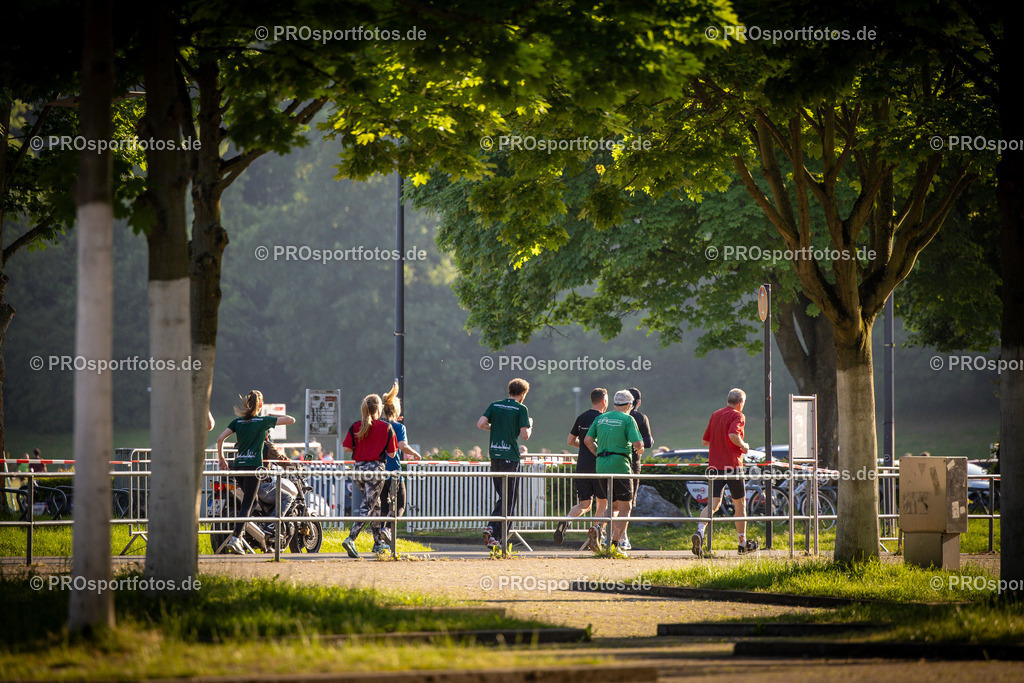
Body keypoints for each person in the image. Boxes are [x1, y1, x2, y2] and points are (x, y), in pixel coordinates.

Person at [216, 390, 296, 555]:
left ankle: (244, 535)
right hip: (254, 467)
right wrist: (266, 413)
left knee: (251, 503)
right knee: (248, 504)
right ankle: (236, 538)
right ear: (260, 404)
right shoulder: (262, 421)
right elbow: (291, 420)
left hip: (238, 467)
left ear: (247, 404)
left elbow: (219, 439)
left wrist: (221, 459)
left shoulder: (238, 421)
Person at [692, 387, 758, 556]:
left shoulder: (716, 414)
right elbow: (733, 435)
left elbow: (705, 441)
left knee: (713, 504)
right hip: (733, 466)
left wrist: (718, 441)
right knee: (740, 504)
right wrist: (744, 446)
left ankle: (700, 531)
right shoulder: (738, 415)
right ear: (741, 403)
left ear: (728, 400)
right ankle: (742, 543)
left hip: (714, 466)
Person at [583, 389, 644, 557]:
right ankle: (615, 544)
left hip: (601, 466)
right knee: (626, 507)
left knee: (613, 505)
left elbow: (587, 440)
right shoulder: (628, 419)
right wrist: (640, 448)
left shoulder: (600, 418)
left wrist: (599, 454)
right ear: (630, 405)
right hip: (620, 466)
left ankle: (598, 527)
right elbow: (638, 443)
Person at [477, 378, 532, 550]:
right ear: (523, 394)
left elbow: (480, 424)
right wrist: (530, 424)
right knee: (509, 499)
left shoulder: (495, 405)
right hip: (511, 457)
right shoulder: (521, 408)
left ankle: (492, 528)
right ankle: (495, 535)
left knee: (503, 496)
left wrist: (495, 427)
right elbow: (525, 436)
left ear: (509, 390)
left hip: (495, 456)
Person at [341, 394, 398, 558]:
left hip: (358, 470)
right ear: (379, 409)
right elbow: (392, 454)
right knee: (367, 506)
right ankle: (351, 538)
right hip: (375, 470)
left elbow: (346, 448)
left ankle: (378, 544)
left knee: (375, 505)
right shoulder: (386, 427)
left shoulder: (356, 426)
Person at [553, 388, 608, 545]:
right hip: (599, 466)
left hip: (582, 465)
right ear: (604, 400)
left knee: (585, 504)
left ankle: (567, 520)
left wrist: (584, 448)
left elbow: (570, 441)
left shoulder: (582, 417)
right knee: (603, 502)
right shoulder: (604, 419)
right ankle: (597, 531)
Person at [379, 382, 422, 551]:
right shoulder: (398, 426)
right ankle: (387, 529)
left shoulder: (378, 425)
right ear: (396, 411)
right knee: (401, 503)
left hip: (379, 471)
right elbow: (403, 446)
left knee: (383, 504)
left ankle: (380, 542)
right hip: (394, 470)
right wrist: (415, 454)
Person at [620, 387, 653, 551]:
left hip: (611, 461)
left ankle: (604, 533)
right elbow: (648, 442)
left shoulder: (611, 416)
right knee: (628, 503)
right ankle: (622, 537)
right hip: (632, 463)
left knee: (611, 501)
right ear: (638, 402)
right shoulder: (640, 417)